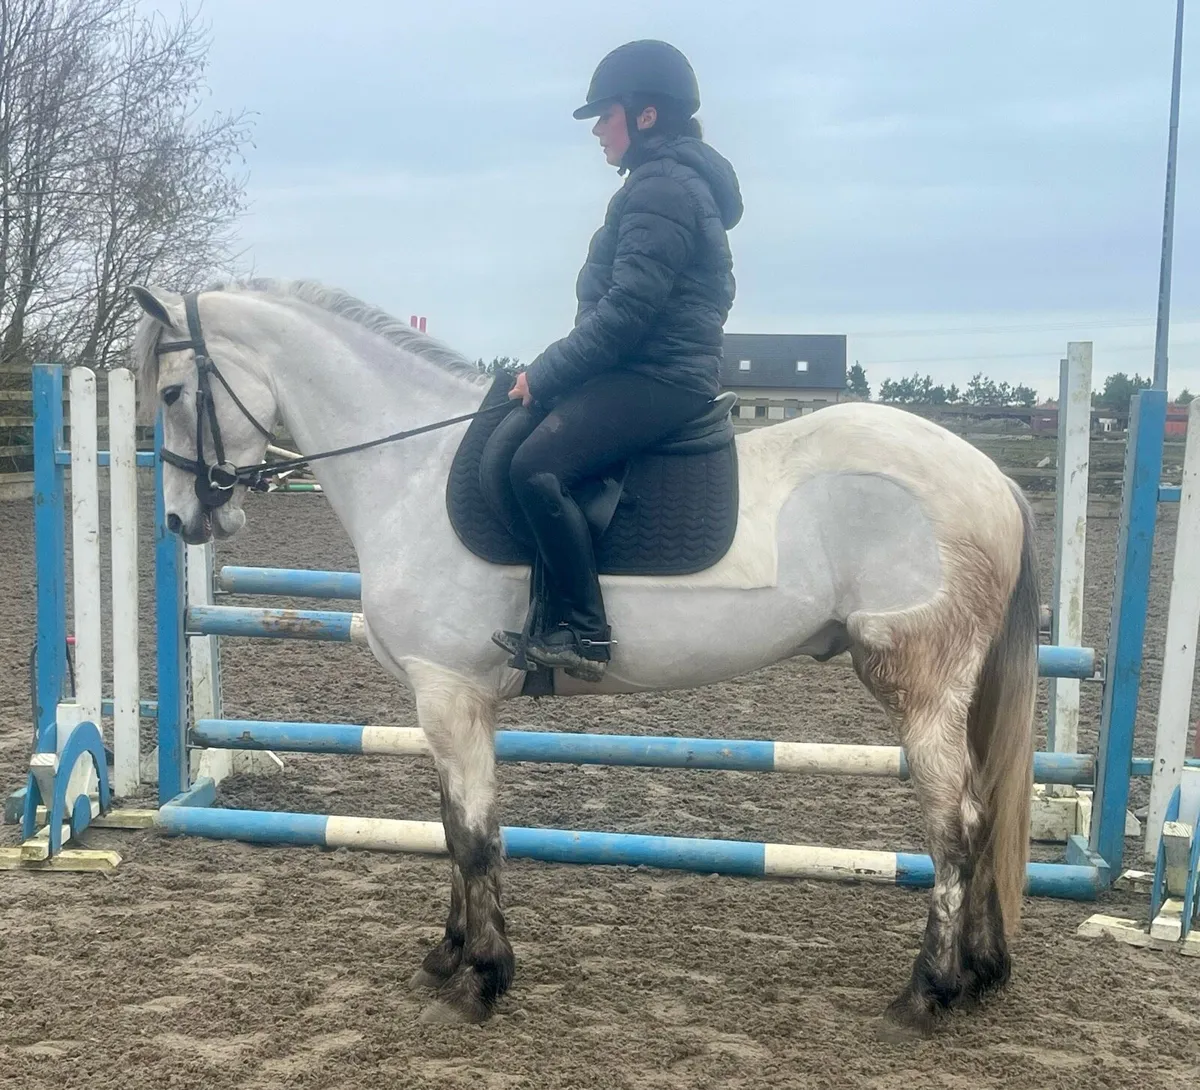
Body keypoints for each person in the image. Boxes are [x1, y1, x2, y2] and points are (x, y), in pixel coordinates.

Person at [493, 39, 743, 682]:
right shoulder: (659, 182)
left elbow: (627, 313)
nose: (599, 130)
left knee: (536, 466)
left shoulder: (662, 188)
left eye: (606, 115)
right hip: (641, 367)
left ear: (647, 115)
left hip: (659, 375)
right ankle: (548, 615)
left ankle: (583, 632)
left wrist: (544, 373)